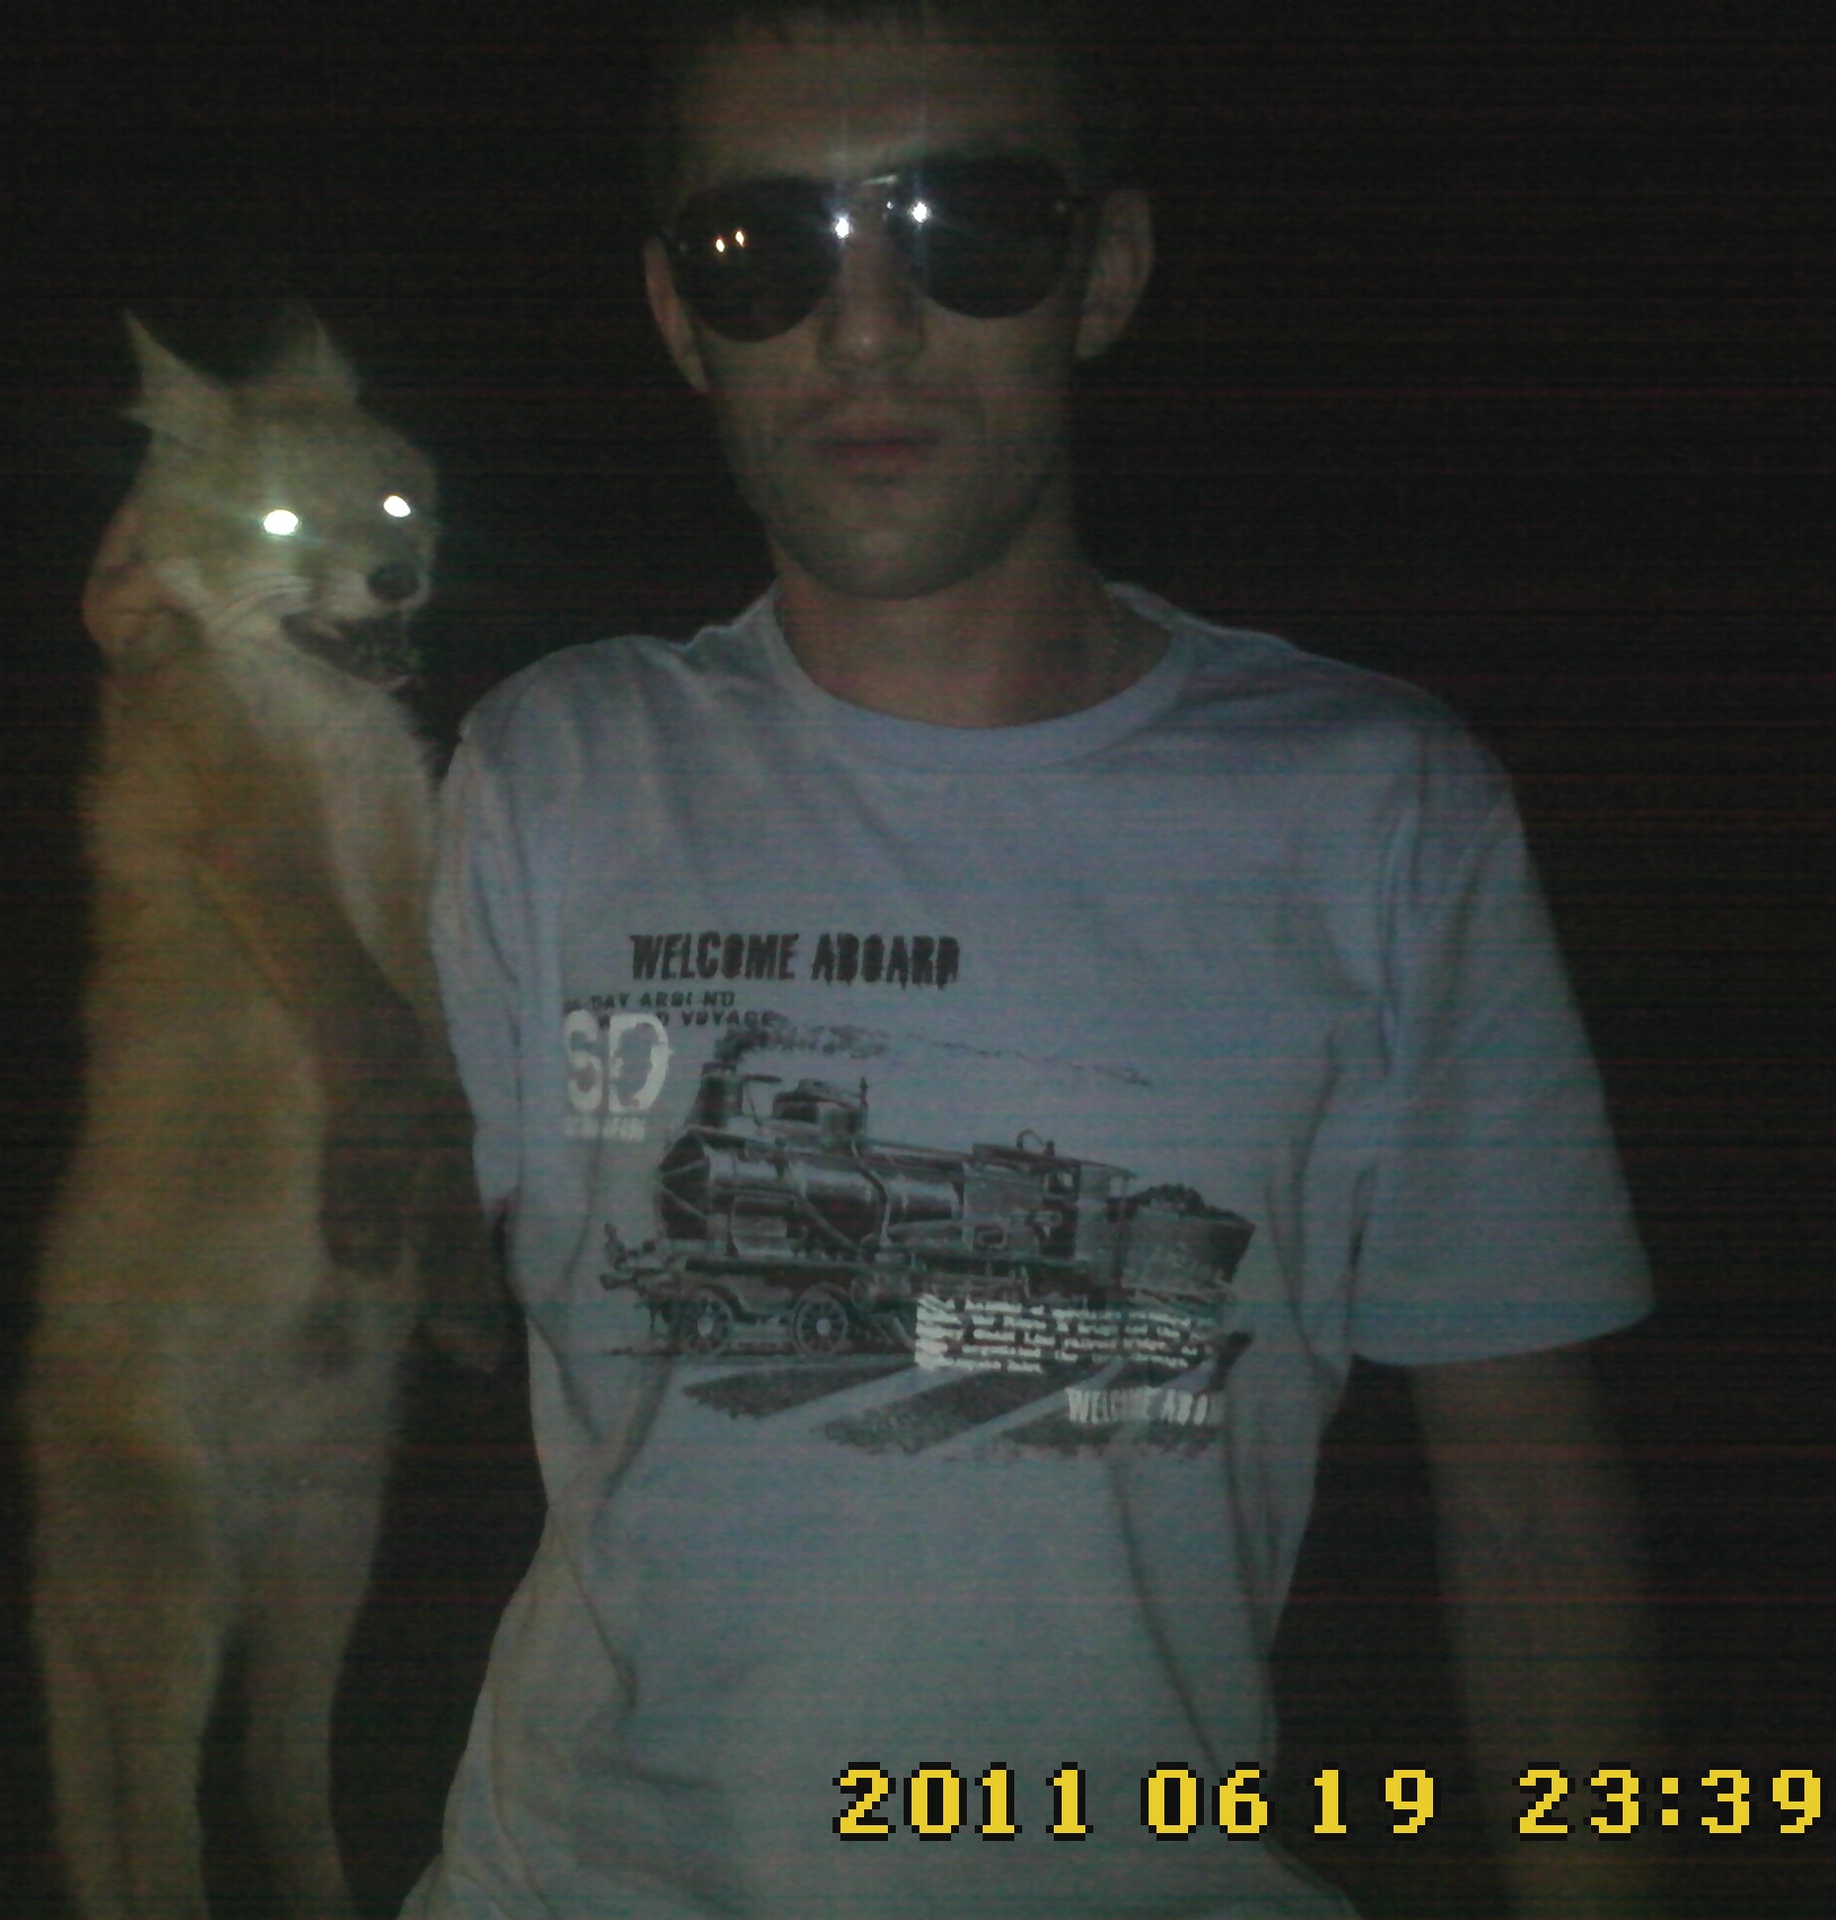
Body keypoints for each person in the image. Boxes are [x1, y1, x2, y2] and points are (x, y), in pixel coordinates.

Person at [383, 3, 1664, 1917]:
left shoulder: (1379, 808)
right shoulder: (548, 765)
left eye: (968, 228)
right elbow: (353, 1290)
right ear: (676, 315)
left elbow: (1527, 1496)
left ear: (1108, 272)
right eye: (763, 248)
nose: (865, 327)